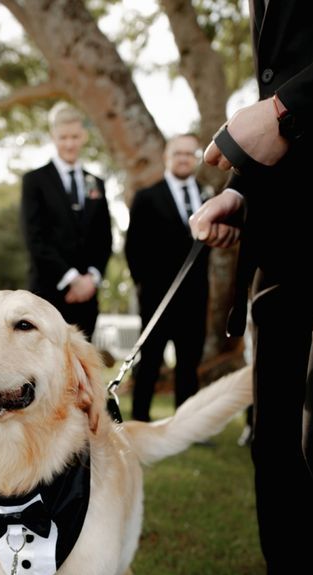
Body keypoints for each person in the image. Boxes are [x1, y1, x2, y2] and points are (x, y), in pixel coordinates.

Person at [177, 0, 313, 575]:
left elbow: (287, 97)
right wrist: (241, 192)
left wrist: (285, 109)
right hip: (288, 249)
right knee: (277, 449)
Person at [124, 133, 211, 422]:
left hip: (195, 297)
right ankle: (139, 422)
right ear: (166, 158)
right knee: (149, 362)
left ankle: (186, 424)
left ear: (196, 158)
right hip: (156, 298)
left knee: (189, 363)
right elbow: (133, 249)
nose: (184, 159)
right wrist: (144, 286)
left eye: (189, 154)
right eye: (178, 153)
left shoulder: (207, 195)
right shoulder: (147, 197)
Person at [20, 101, 112, 342]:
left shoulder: (96, 183)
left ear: (83, 136)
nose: (69, 144)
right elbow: (35, 238)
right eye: (63, 137)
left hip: (87, 298)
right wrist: (71, 279)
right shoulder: (35, 180)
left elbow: (104, 237)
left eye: (74, 137)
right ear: (53, 137)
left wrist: (91, 278)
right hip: (48, 293)